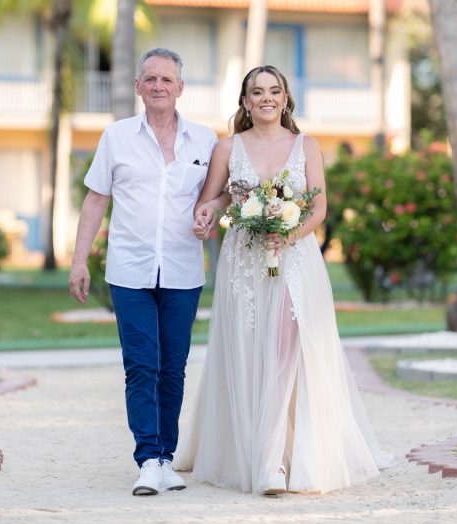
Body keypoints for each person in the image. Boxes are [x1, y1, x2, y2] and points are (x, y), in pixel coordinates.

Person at [174, 66, 393, 495]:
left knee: (284, 352)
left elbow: (319, 208)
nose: (266, 98)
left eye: (274, 91)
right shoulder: (226, 148)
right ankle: (257, 449)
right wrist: (207, 215)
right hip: (243, 265)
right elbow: (214, 198)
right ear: (245, 102)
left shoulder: (306, 146)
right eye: (257, 92)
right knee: (249, 350)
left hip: (295, 260)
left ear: (286, 99)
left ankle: (272, 462)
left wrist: (286, 234)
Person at [68, 48, 220, 496]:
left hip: (183, 269)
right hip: (128, 270)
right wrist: (79, 260)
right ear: (138, 87)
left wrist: (210, 212)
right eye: (150, 79)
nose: (158, 86)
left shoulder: (205, 141)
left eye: (166, 80)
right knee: (141, 366)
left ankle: (167, 458)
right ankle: (148, 459)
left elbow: (221, 194)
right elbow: (96, 199)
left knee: (172, 368)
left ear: (180, 88)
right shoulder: (116, 137)